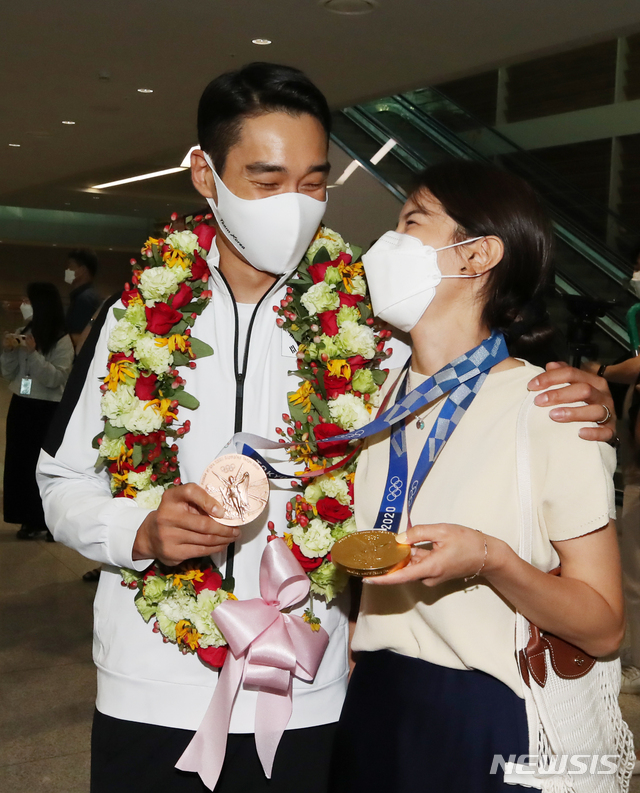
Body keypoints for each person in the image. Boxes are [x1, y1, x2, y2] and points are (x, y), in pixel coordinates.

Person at [36, 64, 617, 793]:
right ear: (204, 175)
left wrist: (586, 389)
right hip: (151, 686)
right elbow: (59, 483)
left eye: (313, 183)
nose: (294, 206)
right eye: (266, 179)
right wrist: (138, 532)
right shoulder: (129, 324)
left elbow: (471, 366)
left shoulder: (370, 329)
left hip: (312, 691)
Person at [331, 161, 625, 792]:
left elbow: (604, 624)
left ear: (478, 255)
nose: (390, 243)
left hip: (488, 715)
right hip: (378, 702)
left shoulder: (549, 408)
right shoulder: (381, 396)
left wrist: (494, 560)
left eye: (413, 221)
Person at [2, 283, 74, 540]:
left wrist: (33, 354)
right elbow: (9, 373)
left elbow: (55, 379)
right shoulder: (25, 331)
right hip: (22, 403)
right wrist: (9, 351)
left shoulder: (61, 339)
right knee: (18, 464)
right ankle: (26, 518)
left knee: (41, 466)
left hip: (47, 409)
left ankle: (46, 520)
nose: (23, 304)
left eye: (28, 300)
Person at [65, 248, 102, 349]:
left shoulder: (85, 299)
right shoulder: (84, 296)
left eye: (71, 267)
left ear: (82, 270)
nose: (67, 270)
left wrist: (59, 341)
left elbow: (82, 336)